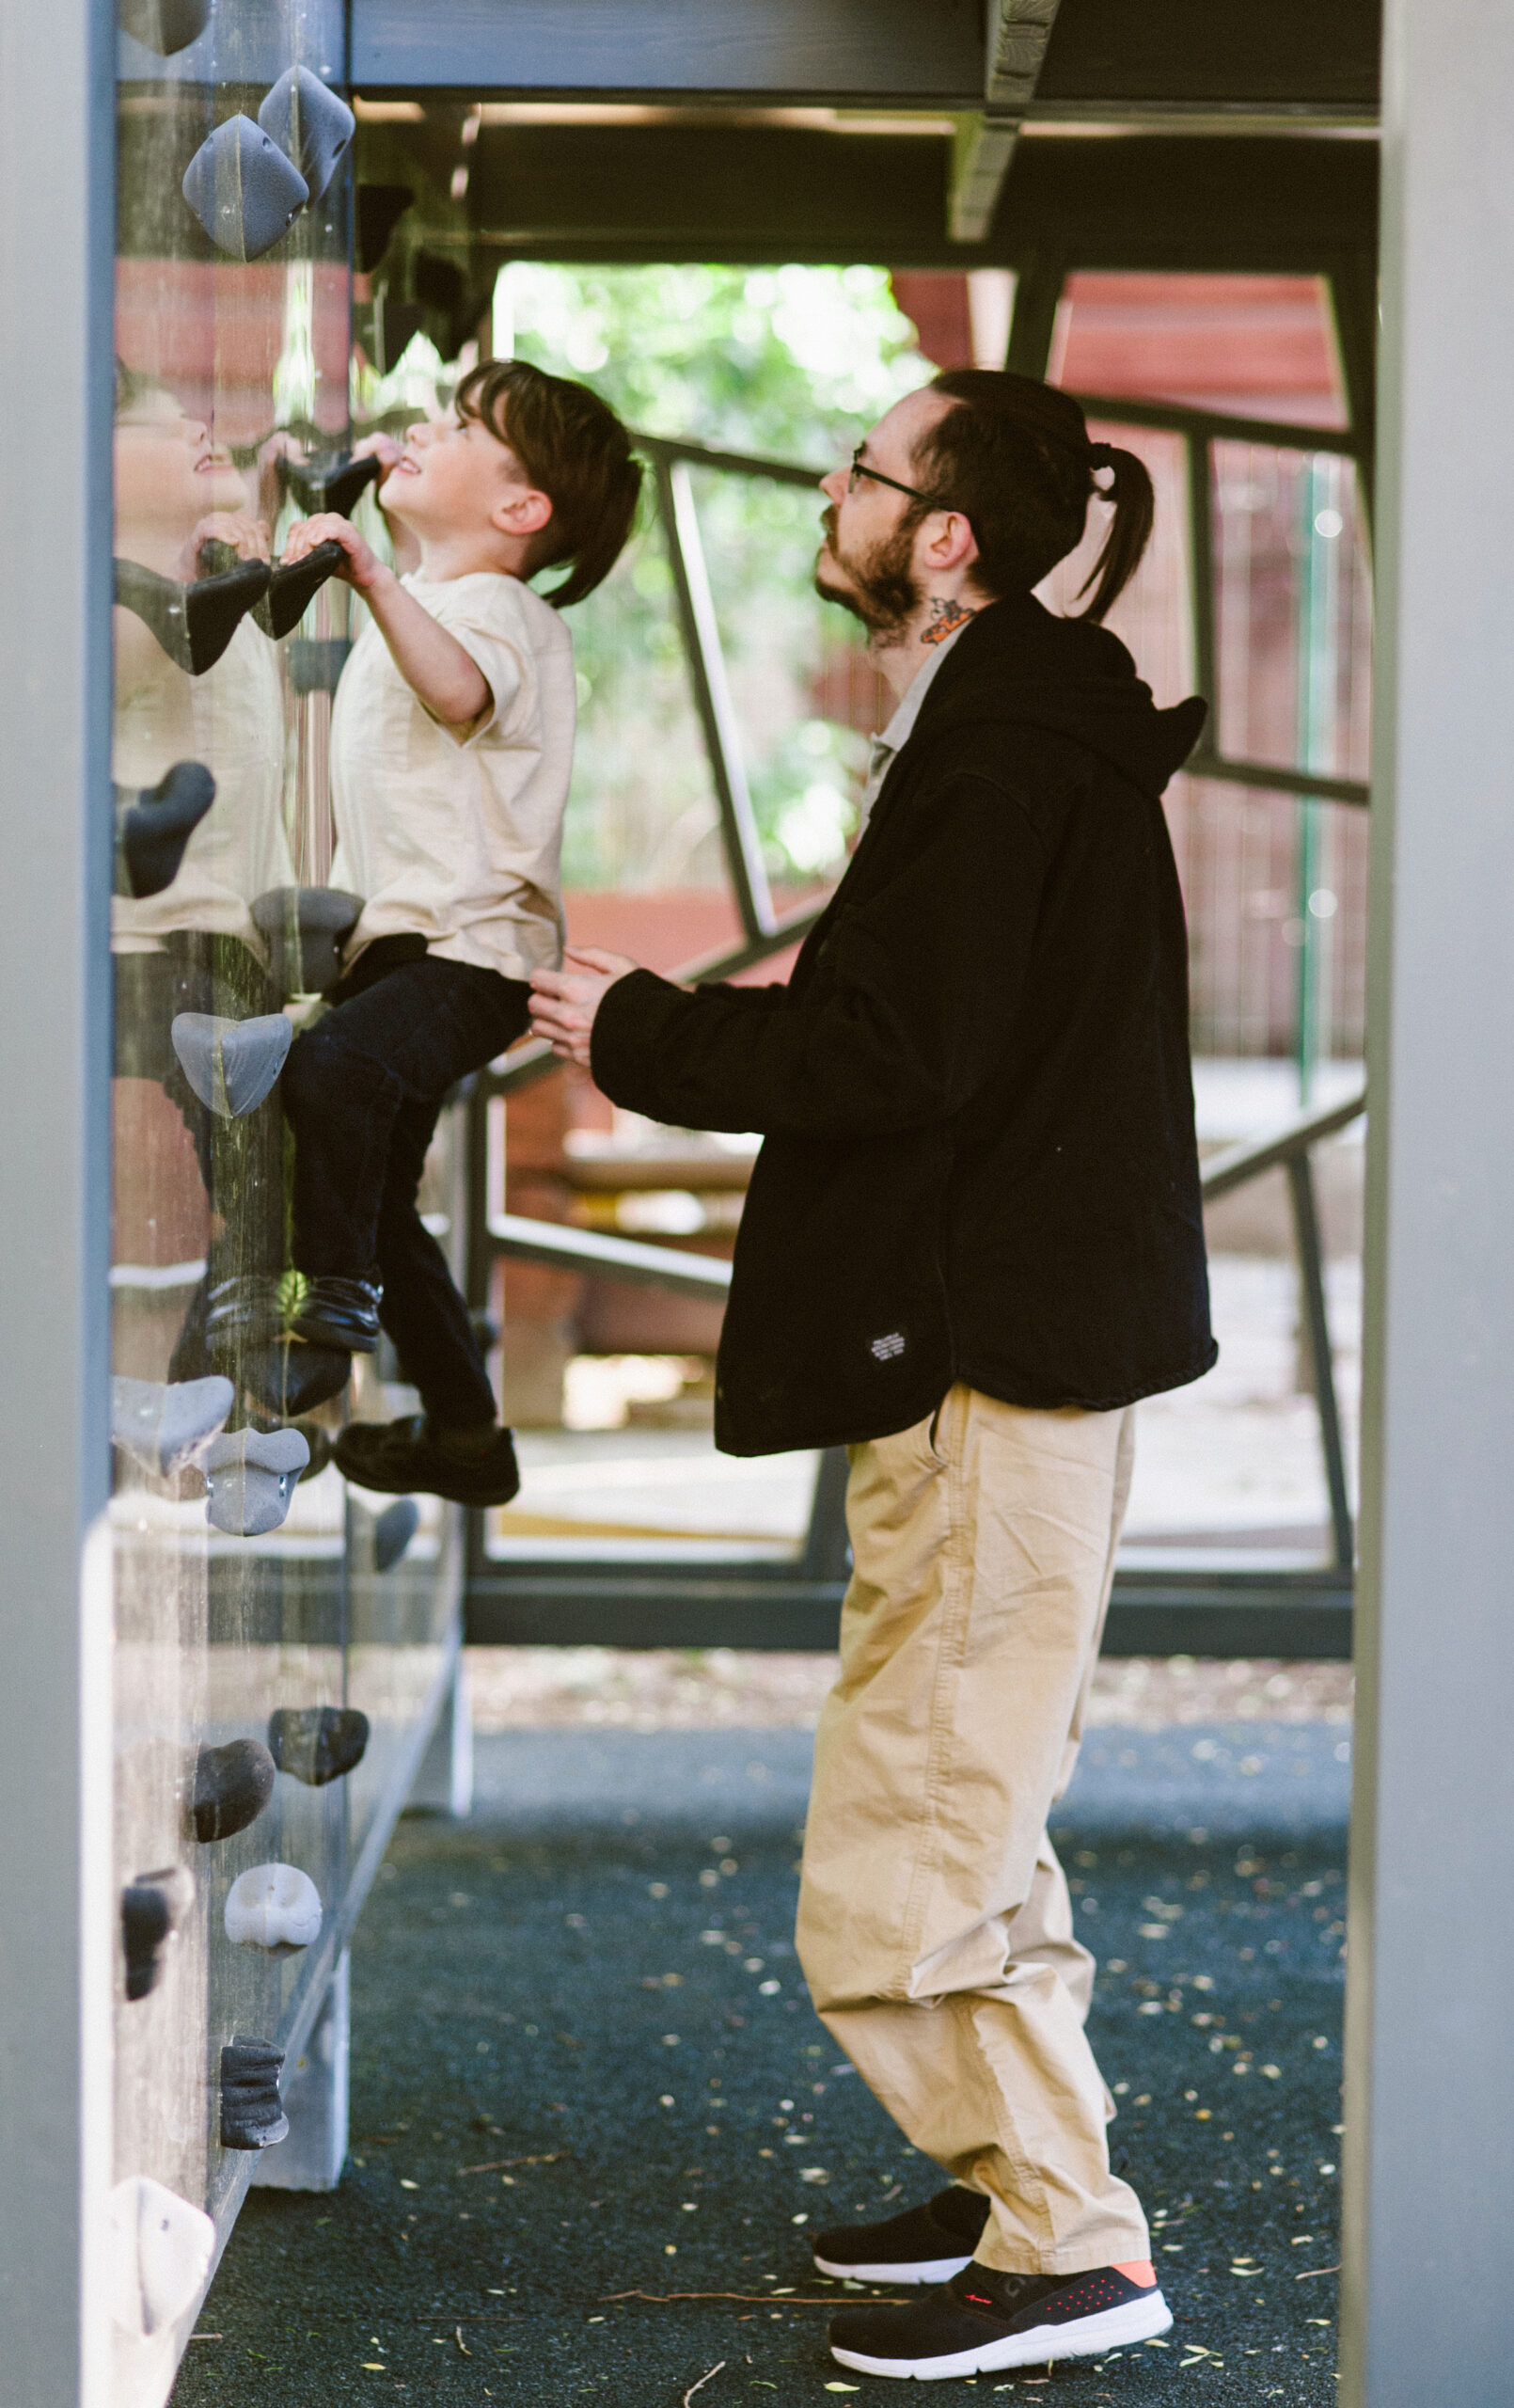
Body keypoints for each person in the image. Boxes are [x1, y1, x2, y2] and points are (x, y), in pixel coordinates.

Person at [528, 370, 1214, 2382]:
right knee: (966, 1801)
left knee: (914, 1843)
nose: (833, 493)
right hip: (1009, 1353)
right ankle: (1017, 2186)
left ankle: (1074, 2244)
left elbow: (899, 1054)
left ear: (943, 538)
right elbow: (934, 1023)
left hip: (993, 1363)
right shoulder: (1022, 727)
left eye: (862, 469)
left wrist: (641, 1032)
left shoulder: (1001, 755)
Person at [278, 359, 640, 1506]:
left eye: (463, 425)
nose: (426, 428)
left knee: (331, 1072)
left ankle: (325, 1310)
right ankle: (467, 1435)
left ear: (520, 509)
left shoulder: (499, 614)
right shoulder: (435, 600)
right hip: (409, 951)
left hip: (470, 955)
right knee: (379, 1193)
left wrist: (371, 573)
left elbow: (458, 693)